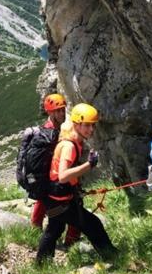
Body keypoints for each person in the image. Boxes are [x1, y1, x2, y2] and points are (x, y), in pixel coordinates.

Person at [36, 103, 118, 263]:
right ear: (76, 124)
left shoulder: (71, 141)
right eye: (86, 125)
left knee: (55, 228)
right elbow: (63, 176)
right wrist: (89, 165)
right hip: (60, 200)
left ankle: (41, 264)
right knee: (92, 224)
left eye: (93, 125)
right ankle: (113, 257)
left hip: (54, 198)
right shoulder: (69, 146)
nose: (91, 130)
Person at [30, 94, 81, 246]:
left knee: (45, 203)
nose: (62, 113)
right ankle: (70, 242)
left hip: (50, 179)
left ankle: (36, 229)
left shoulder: (54, 130)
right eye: (58, 110)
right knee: (72, 205)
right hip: (54, 179)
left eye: (63, 109)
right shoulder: (50, 134)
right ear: (50, 112)